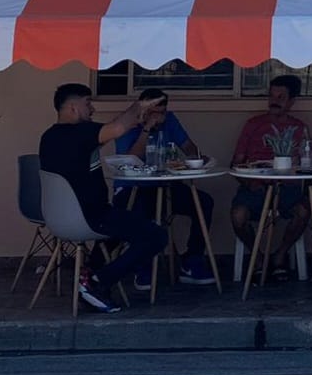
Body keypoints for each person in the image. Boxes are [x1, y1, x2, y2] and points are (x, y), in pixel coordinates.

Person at [39, 83, 168, 313]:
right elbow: (117, 129)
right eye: (87, 103)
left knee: (121, 221)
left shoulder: (49, 137)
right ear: (73, 108)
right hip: (91, 215)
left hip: (61, 218)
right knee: (155, 236)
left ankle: (90, 274)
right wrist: (140, 106)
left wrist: (138, 119)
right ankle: (97, 282)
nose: (93, 108)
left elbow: (109, 131)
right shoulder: (80, 133)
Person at [113, 89, 216, 289]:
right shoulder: (125, 123)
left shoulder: (169, 120)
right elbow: (130, 160)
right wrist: (146, 130)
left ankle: (192, 260)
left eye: (162, 111)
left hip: (164, 184)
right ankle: (141, 265)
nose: (158, 116)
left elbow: (187, 146)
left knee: (203, 202)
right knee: (142, 210)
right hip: (132, 188)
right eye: (153, 112)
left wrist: (197, 157)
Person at [230, 74, 312, 281]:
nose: (274, 101)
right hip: (255, 187)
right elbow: (236, 162)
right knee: (238, 215)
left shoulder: (299, 128)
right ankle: (258, 257)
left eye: (281, 97)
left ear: (292, 101)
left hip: (286, 187)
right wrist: (249, 181)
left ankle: (280, 256)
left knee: (303, 213)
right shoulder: (253, 124)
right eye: (272, 96)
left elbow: (305, 162)